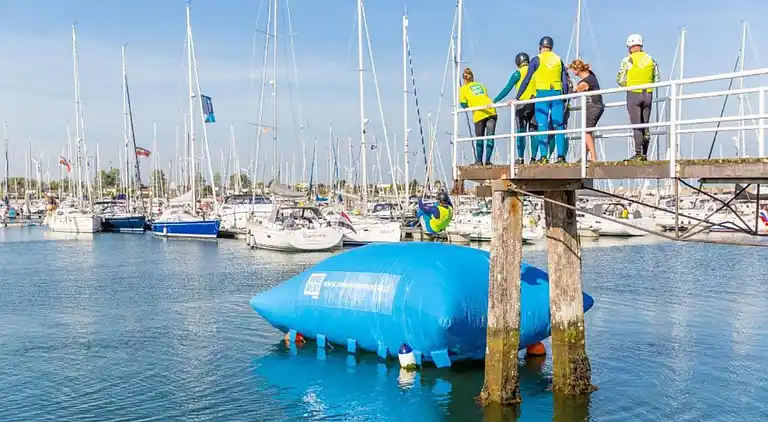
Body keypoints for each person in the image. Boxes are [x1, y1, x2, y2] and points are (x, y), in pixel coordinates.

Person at [516, 36, 569, 164]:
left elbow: (527, 79)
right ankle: (561, 157)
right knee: (559, 125)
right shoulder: (559, 60)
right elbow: (564, 82)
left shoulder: (536, 59)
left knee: (542, 125)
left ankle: (544, 156)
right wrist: (565, 97)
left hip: (542, 95)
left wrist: (517, 97)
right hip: (557, 94)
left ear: (540, 47)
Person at [616, 33, 660, 161]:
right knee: (645, 124)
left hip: (634, 93)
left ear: (629, 47)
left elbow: (620, 79)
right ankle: (645, 153)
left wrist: (628, 84)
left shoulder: (628, 60)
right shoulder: (651, 59)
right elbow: (657, 78)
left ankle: (638, 153)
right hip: (648, 93)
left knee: (637, 124)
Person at [495, 52, 539, 164]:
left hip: (521, 105)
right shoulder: (535, 72)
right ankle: (533, 158)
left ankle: (520, 158)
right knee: (534, 132)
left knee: (520, 133)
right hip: (535, 103)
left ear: (518, 62)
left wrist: (494, 101)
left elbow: (507, 89)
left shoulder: (517, 73)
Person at [459, 68, 497, 165]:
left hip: (479, 113)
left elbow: (463, 104)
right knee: (490, 137)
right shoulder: (481, 85)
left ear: (464, 80)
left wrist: (469, 106)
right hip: (491, 110)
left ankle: (479, 161)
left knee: (479, 138)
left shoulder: (463, 89)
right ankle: (488, 161)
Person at [569, 59, 604, 162]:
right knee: (588, 131)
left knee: (586, 131)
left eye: (573, 70)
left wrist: (569, 86)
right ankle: (584, 156)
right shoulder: (591, 75)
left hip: (593, 106)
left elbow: (574, 94)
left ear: (576, 70)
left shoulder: (585, 82)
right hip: (596, 106)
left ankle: (593, 157)